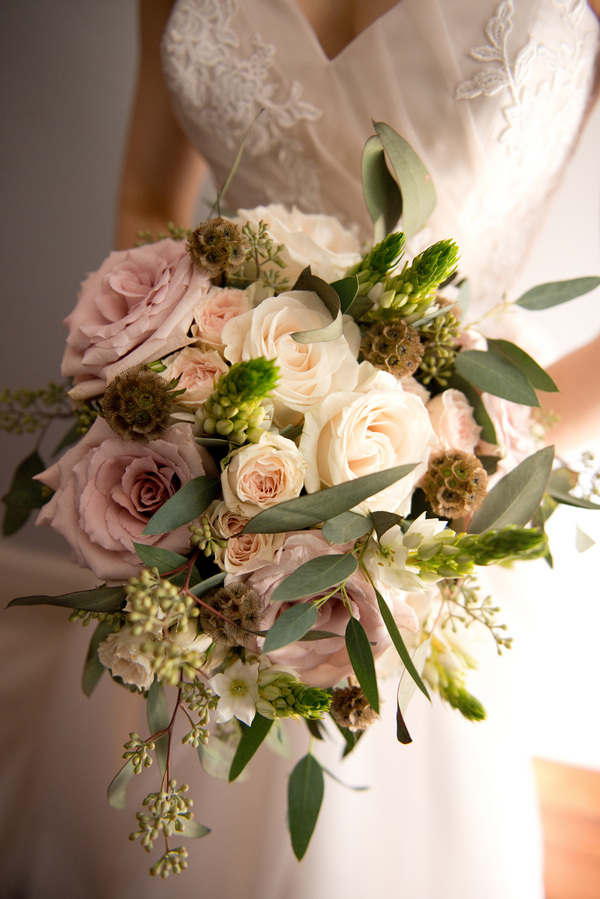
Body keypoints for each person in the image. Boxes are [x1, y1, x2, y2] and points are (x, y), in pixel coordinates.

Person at [2, 2, 599, 897]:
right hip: (207, 467)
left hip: (436, 486)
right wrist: (176, 399)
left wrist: (467, 458)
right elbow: (148, 200)